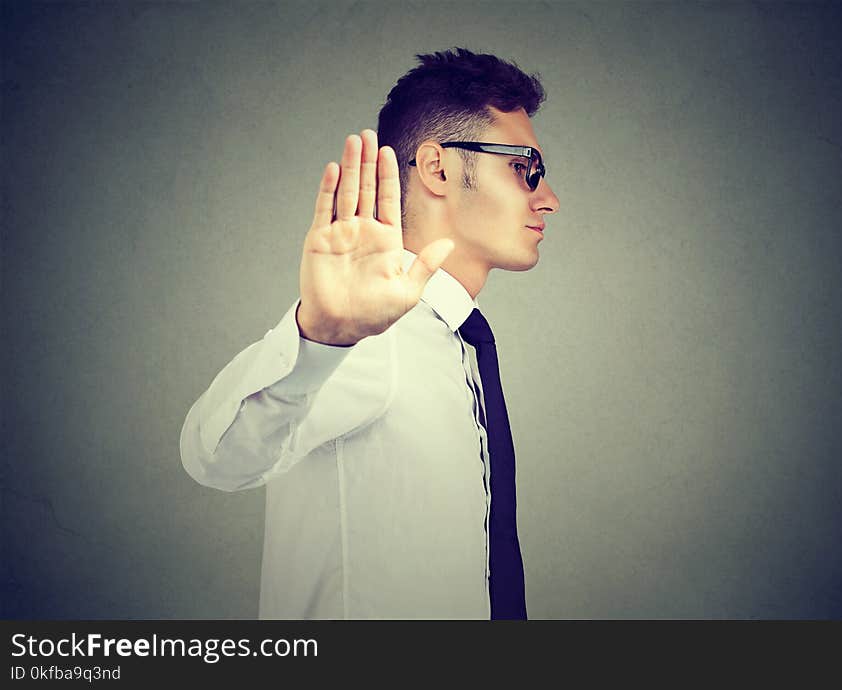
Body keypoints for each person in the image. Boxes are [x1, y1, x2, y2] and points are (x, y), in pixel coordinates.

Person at [180, 47, 560, 620]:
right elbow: (217, 457)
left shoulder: (456, 343)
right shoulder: (372, 339)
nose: (548, 199)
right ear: (438, 169)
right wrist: (320, 339)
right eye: (524, 168)